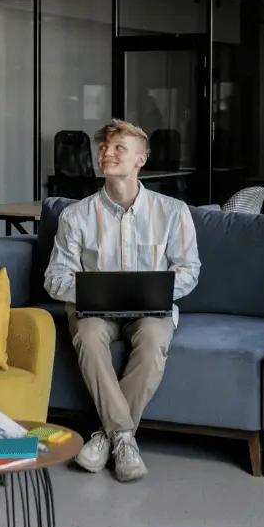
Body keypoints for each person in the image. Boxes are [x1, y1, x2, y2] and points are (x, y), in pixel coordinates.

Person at [44, 119, 201, 482]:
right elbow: (55, 277)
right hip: (95, 309)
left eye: (119, 148)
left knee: (154, 339)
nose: (107, 153)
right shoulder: (75, 215)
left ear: (139, 160)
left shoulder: (173, 212)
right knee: (87, 333)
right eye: (104, 148)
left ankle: (106, 435)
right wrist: (89, 291)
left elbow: (189, 270)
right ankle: (124, 439)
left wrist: (158, 290)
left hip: (150, 310)